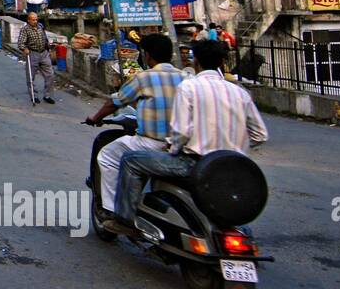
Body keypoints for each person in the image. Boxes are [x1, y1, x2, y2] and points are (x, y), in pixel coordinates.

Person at [110, 39, 268, 233]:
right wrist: (236, 147)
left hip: (193, 163)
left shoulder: (189, 87)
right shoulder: (240, 93)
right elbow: (260, 135)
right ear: (220, 63)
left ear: (196, 63)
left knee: (130, 160)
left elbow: (182, 132)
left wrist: (173, 149)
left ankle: (124, 220)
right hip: (232, 166)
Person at [85, 34, 185, 217]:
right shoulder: (185, 78)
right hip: (179, 146)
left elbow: (115, 102)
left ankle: (110, 210)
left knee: (107, 156)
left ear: (148, 56)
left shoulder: (144, 78)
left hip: (152, 143)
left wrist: (95, 118)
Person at [18, 11, 54, 103]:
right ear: (29, 20)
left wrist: (48, 48)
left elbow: (45, 38)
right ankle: (34, 96)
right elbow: (21, 43)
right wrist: (24, 49)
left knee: (50, 75)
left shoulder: (40, 27)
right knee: (31, 77)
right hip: (33, 54)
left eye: (36, 19)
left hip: (44, 53)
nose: (35, 21)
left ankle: (47, 95)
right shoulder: (25, 29)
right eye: (33, 20)